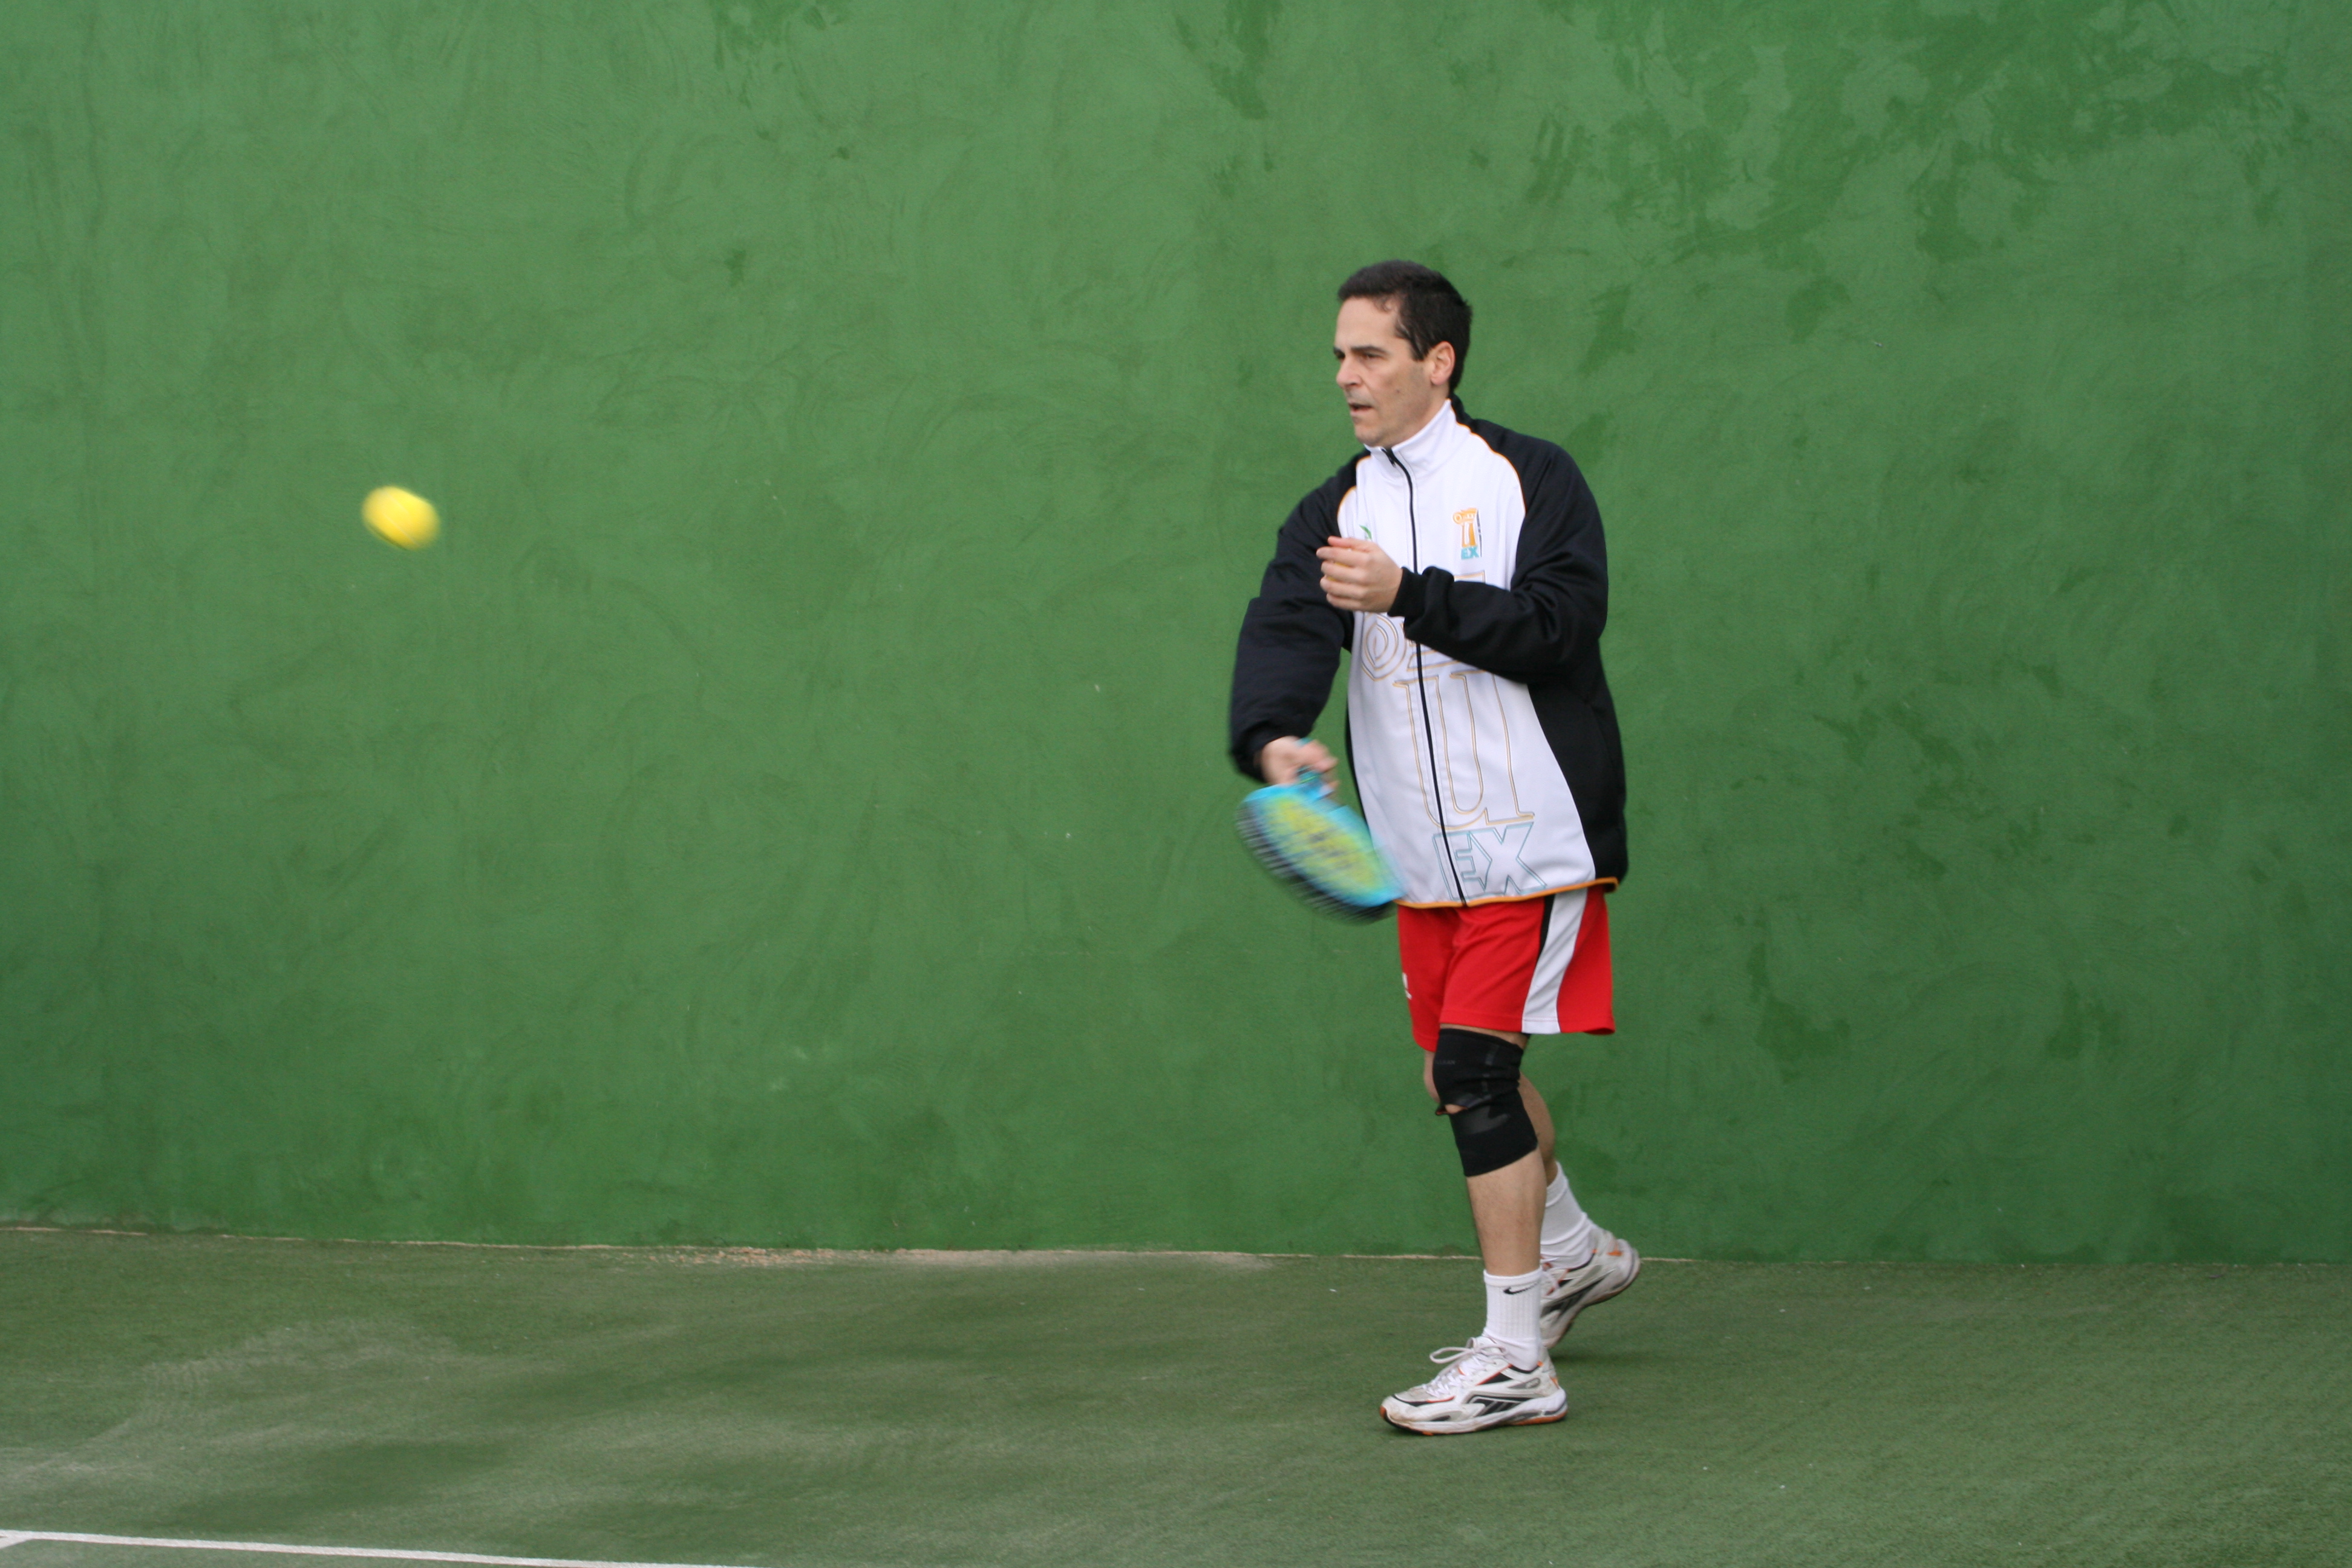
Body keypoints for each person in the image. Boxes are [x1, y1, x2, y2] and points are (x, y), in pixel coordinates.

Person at [1228, 261, 1640, 1434]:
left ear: (1438, 360)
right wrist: (1274, 737)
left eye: (1371, 353)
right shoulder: (1332, 510)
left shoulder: (1529, 479)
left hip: (1532, 838)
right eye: (1340, 356)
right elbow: (1287, 625)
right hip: (1418, 855)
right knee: (1455, 1077)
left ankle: (1516, 1358)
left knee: (1474, 1075)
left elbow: (1562, 627)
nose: (1346, 376)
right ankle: (1570, 1253)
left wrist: (1412, 593)